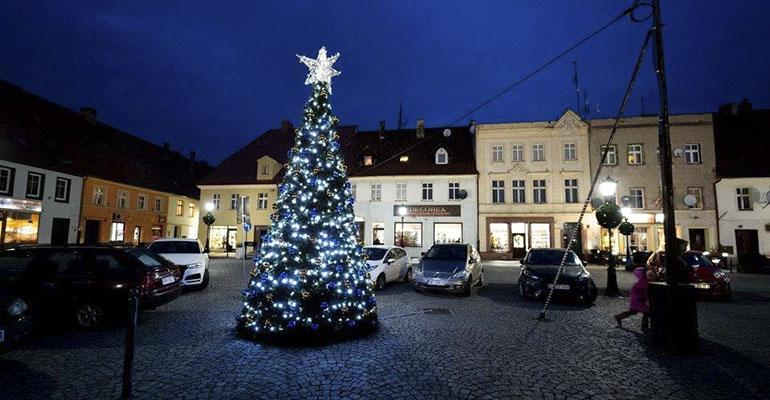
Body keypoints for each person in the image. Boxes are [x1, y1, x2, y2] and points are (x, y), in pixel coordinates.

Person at [614, 266, 655, 333]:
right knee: (646, 312)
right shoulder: (643, 281)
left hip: (637, 300)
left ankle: (619, 316)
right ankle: (644, 327)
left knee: (633, 311)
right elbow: (644, 290)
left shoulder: (641, 280)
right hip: (639, 300)